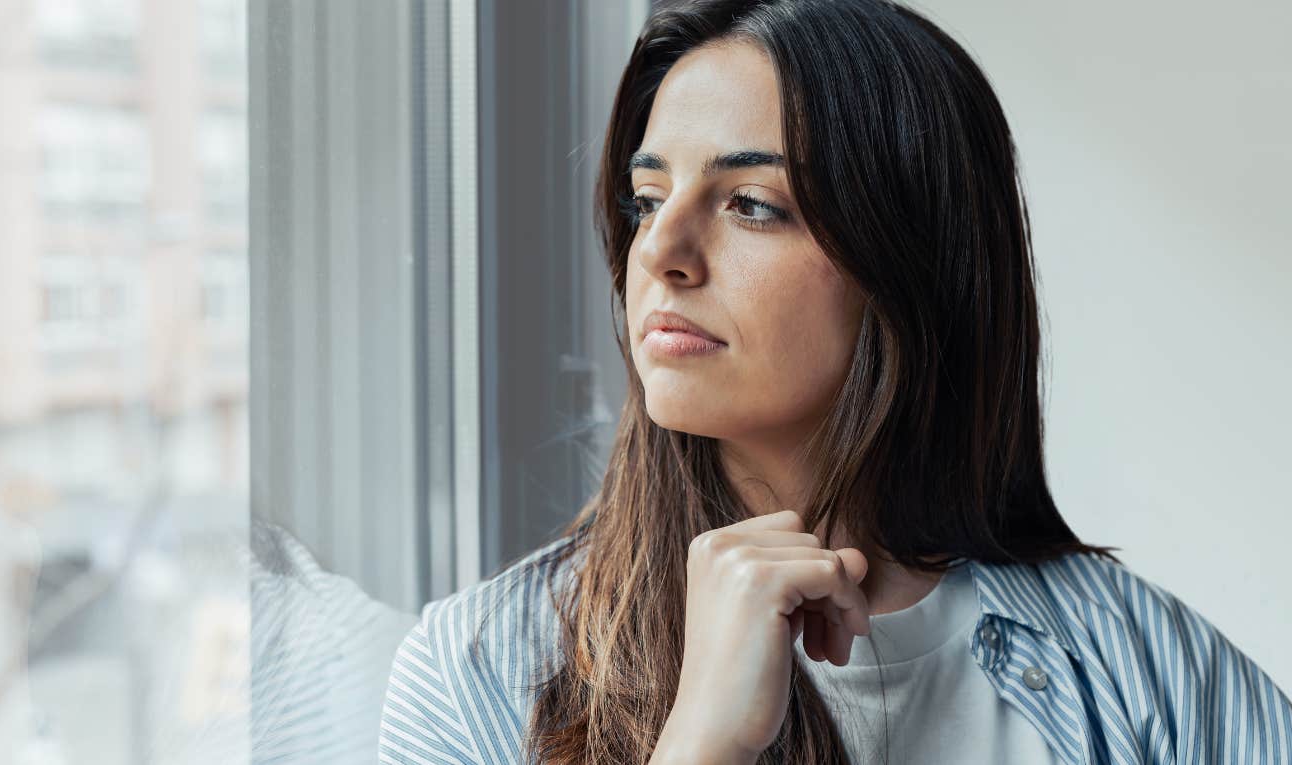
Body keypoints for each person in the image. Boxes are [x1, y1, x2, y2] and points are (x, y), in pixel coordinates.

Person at [379, 1, 1292, 763]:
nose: (658, 251)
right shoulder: (478, 674)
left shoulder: (1141, 666)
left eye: (752, 206)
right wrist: (702, 745)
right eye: (647, 200)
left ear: (910, 264)